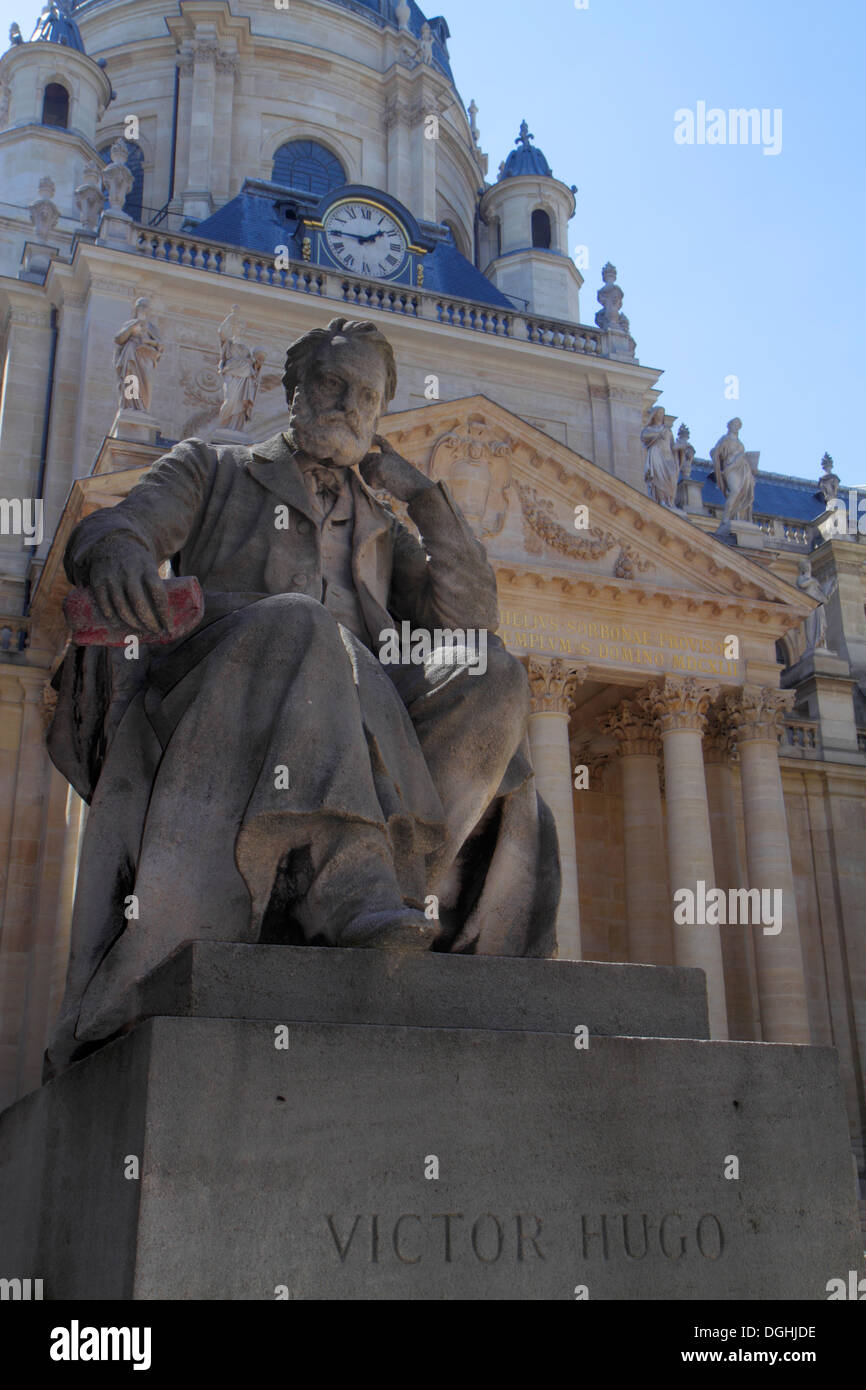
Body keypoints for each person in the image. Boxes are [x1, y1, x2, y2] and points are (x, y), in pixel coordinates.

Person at [45, 318, 560, 1075]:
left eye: (369, 397)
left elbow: (473, 618)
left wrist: (425, 499)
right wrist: (119, 556)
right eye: (333, 385)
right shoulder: (212, 468)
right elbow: (115, 529)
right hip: (228, 688)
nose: (350, 405)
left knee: (493, 673)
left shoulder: (384, 525)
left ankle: (403, 875)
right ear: (291, 391)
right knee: (303, 623)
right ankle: (345, 884)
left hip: (367, 705)